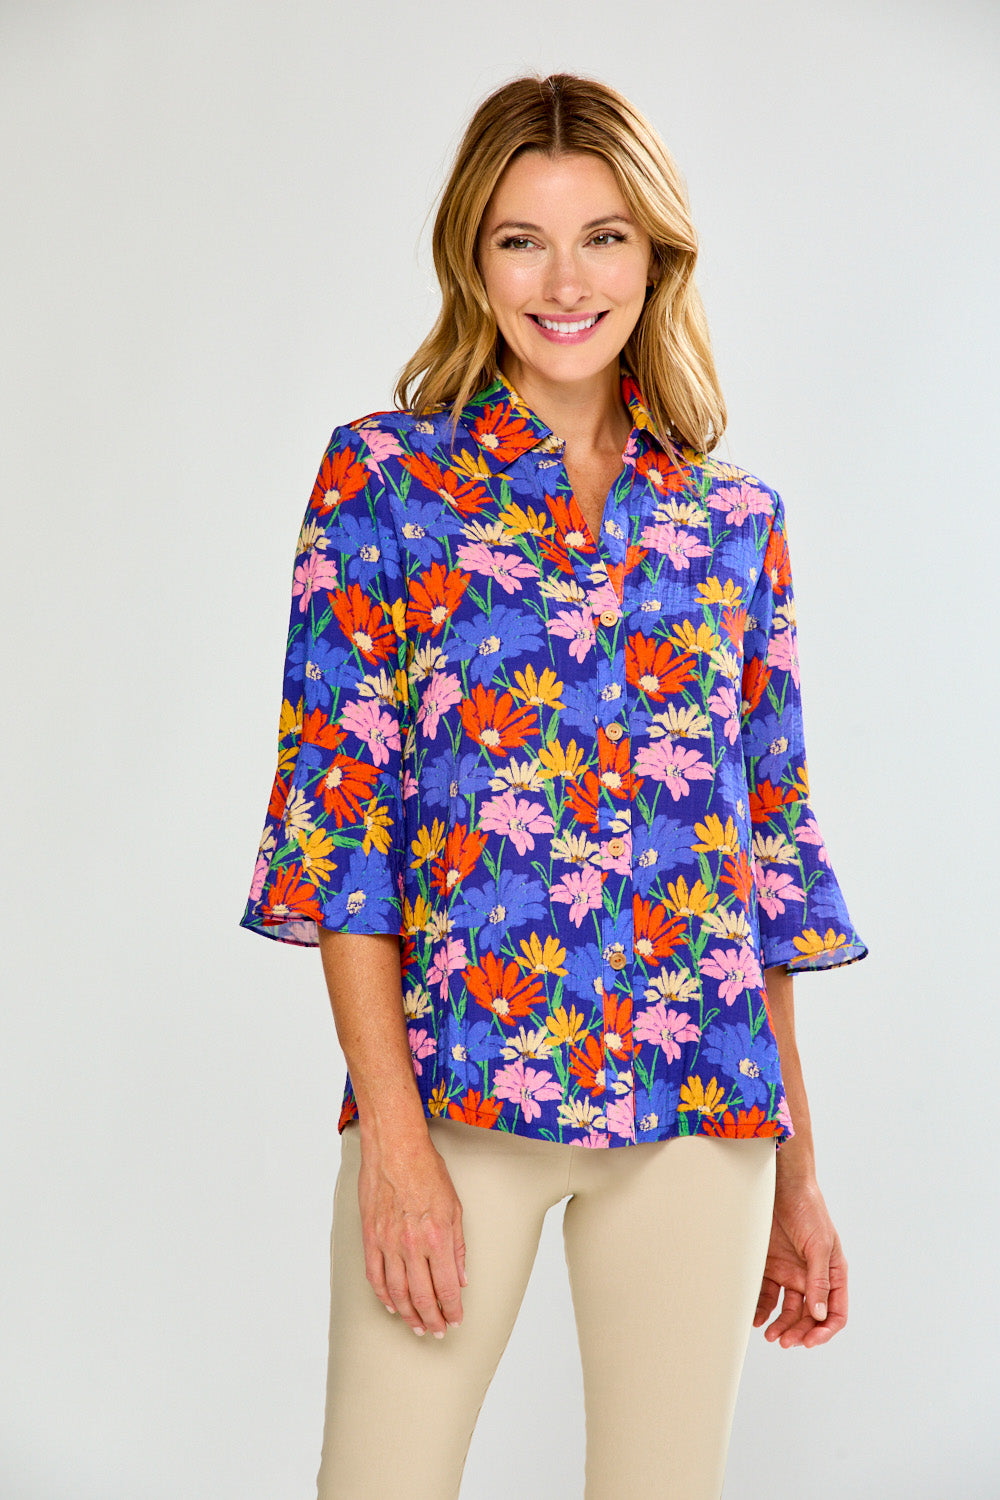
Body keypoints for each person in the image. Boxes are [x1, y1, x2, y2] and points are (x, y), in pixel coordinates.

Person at [239, 71, 868, 1500]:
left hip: (701, 1109)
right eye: (523, 239)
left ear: (656, 256)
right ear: (473, 256)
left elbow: (763, 859)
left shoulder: (732, 521)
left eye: (604, 238)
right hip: (458, 1096)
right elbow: (338, 829)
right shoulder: (386, 484)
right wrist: (394, 1148)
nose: (566, 282)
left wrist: (800, 1172)